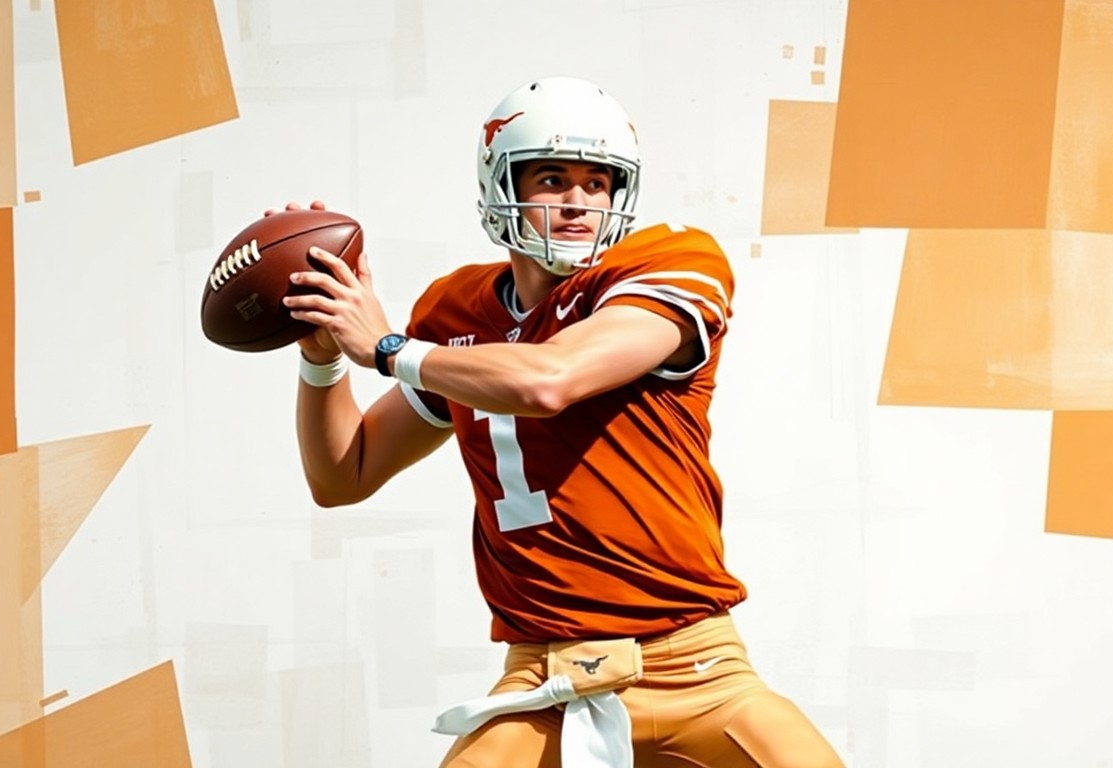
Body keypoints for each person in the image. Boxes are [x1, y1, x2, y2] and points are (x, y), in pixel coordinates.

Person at [280, 76, 845, 768]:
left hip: (695, 669)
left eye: (598, 182)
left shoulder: (670, 263)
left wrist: (391, 349)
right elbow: (345, 473)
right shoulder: (456, 314)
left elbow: (551, 380)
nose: (580, 202)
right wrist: (323, 360)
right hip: (542, 678)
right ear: (500, 185)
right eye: (552, 178)